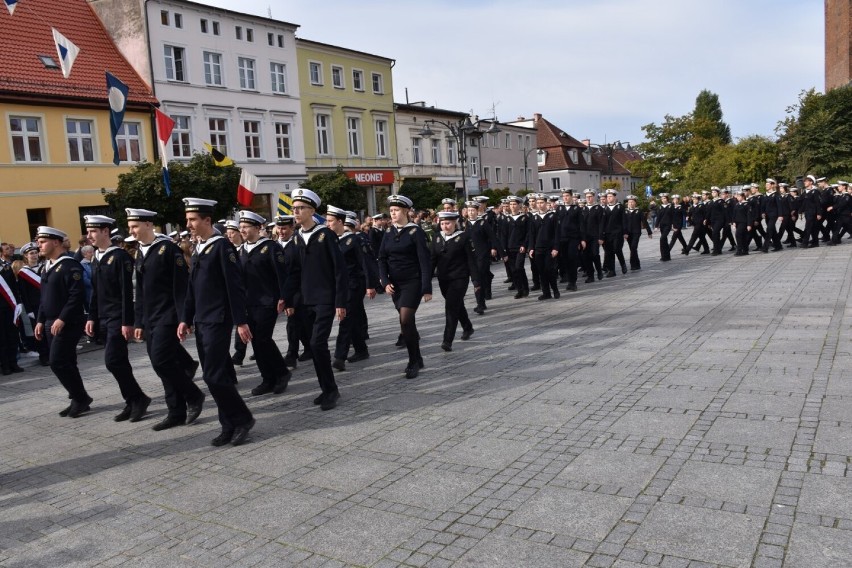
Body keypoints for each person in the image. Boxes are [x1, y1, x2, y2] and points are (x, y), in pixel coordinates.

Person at [178, 198, 255, 446]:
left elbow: (235, 287)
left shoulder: (222, 247)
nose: (188, 224)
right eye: (188, 219)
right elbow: (192, 288)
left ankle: (243, 418)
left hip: (218, 319)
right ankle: (228, 424)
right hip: (202, 319)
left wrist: (241, 322)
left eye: (192, 220)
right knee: (218, 373)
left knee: (212, 375)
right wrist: (185, 318)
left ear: (207, 220)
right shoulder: (200, 247)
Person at [127, 208, 204, 432]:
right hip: (150, 318)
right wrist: (139, 322)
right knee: (161, 364)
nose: (131, 231)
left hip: (168, 316)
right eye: (130, 227)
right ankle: (176, 411)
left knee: (162, 361)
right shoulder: (141, 252)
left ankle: (194, 394)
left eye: (135, 226)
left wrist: (184, 318)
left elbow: (181, 288)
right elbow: (139, 292)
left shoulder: (168, 249)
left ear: (149, 225)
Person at [83, 215, 152, 422]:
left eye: (93, 231)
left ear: (105, 231)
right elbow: (96, 292)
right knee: (118, 361)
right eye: (88, 231)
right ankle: (133, 400)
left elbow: (128, 293)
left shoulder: (120, 257)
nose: (89, 236)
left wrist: (128, 321)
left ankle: (137, 398)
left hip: (118, 317)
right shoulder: (96, 257)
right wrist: (92, 317)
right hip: (104, 317)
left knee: (113, 360)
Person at [286, 189, 347, 408]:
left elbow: (339, 270)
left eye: (301, 208)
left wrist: (340, 301)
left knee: (317, 343)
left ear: (312, 210)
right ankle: (327, 388)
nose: (296, 212)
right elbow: (293, 272)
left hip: (325, 298)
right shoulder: (296, 237)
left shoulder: (325, 234)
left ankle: (331, 390)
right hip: (304, 299)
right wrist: (288, 299)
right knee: (315, 347)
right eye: (294, 208)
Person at [33, 226, 91, 417]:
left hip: (67, 323)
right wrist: (41, 320)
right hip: (50, 321)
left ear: (56, 242)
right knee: (67, 362)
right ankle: (78, 398)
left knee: (57, 362)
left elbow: (76, 296)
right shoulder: (47, 266)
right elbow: (44, 298)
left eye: (42, 242)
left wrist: (62, 318)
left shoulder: (69, 265)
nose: (38, 246)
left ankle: (80, 397)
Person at [237, 210, 291, 397]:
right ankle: (267, 378)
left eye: (246, 227)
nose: (242, 230)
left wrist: (284, 297)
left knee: (263, 338)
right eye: (241, 226)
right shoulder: (242, 249)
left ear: (258, 228)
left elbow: (282, 275)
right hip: (249, 302)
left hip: (268, 301)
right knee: (256, 341)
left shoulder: (270, 247)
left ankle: (282, 373)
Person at [378, 194, 432, 378]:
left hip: (412, 282)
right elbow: (382, 259)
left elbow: (424, 261)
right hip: (396, 285)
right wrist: (385, 282)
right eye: (391, 211)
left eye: (396, 210)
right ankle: (418, 357)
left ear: (406, 211)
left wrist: (426, 287)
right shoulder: (388, 233)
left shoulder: (415, 232)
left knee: (405, 320)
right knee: (408, 323)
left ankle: (413, 361)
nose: (393, 214)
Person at [326, 207, 377, 371]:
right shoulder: (331, 240)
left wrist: (370, 285)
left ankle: (340, 356)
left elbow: (365, 263)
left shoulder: (353, 240)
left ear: (340, 222)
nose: (327, 224)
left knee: (345, 318)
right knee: (352, 318)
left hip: (354, 285)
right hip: (339, 287)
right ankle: (361, 349)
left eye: (330, 221)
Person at [431, 210, 478, 351]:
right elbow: (432, 259)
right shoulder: (437, 237)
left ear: (455, 223)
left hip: (460, 278)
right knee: (456, 304)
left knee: (451, 307)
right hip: (443, 278)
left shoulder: (463, 237)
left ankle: (447, 340)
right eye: (442, 223)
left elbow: (471, 260)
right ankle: (468, 327)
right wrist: (426, 279)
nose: (445, 226)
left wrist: (476, 281)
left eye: (448, 223)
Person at [274, 215, 311, 368]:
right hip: (281, 290)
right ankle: (309, 347)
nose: (281, 231)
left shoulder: (297, 244)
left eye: (284, 228)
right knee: (300, 324)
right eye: (279, 228)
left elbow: (300, 271)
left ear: (291, 228)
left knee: (293, 323)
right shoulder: (274, 245)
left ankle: (291, 355)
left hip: (297, 290)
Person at [466, 200, 500, 314]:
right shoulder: (465, 224)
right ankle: (481, 303)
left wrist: (494, 248)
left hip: (482, 255)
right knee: (476, 280)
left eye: (473, 210)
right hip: (471, 257)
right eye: (469, 210)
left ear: (477, 211)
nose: (471, 213)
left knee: (478, 279)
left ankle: (480, 304)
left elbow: (492, 237)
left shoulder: (482, 223)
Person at [528, 194, 560, 299]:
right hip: (538, 249)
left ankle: (555, 290)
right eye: (538, 203)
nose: (539, 205)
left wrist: (556, 248)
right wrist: (531, 248)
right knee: (541, 271)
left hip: (549, 249)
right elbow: (532, 234)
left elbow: (557, 233)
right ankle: (546, 293)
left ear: (546, 203)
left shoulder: (553, 216)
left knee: (549, 270)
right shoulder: (534, 217)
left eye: (541, 202)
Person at [556, 189, 585, 290]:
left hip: (573, 238)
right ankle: (569, 279)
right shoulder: (559, 208)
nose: (565, 197)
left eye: (567, 195)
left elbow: (581, 225)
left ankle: (573, 282)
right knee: (565, 260)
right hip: (562, 238)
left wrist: (582, 239)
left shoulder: (576, 209)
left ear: (571, 197)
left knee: (572, 258)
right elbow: (557, 225)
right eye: (563, 196)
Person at [502, 195, 530, 298]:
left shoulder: (524, 218)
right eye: (511, 204)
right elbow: (503, 235)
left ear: (519, 205)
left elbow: (528, 233)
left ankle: (525, 288)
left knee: (519, 267)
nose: (512, 206)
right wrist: (503, 249)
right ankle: (519, 290)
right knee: (513, 270)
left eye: (515, 204)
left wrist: (524, 245)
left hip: (520, 248)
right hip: (510, 248)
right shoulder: (506, 219)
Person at [0, 256, 23, 375]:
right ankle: (5, 366)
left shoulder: (6, 267)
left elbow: (14, 286)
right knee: (1, 339)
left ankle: (14, 363)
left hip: (10, 307)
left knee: (12, 336)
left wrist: (18, 302)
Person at [601, 189, 627, 276]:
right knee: (609, 252)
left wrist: (625, 232)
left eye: (610, 196)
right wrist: (601, 234)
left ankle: (623, 264)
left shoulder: (620, 207)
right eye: (607, 197)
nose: (608, 198)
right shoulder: (605, 208)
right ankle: (612, 271)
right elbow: (602, 223)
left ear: (615, 197)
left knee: (617, 249)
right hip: (608, 234)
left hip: (618, 232)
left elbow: (624, 220)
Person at [623, 195, 649, 270]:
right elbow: (623, 222)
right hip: (628, 233)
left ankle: (633, 264)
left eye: (632, 202)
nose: (630, 203)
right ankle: (637, 264)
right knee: (632, 248)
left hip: (636, 232)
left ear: (635, 203)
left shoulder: (639, 211)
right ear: (627, 203)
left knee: (634, 247)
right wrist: (624, 232)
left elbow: (644, 221)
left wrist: (649, 232)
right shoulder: (625, 211)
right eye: (629, 202)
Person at [732, 189, 754, 256]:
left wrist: (749, 225)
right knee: (743, 236)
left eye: (739, 196)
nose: (738, 198)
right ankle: (745, 250)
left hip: (744, 222)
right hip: (738, 223)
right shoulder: (737, 204)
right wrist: (734, 222)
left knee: (738, 234)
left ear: (743, 196)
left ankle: (739, 250)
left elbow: (749, 215)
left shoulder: (747, 204)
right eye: (737, 196)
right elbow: (734, 214)